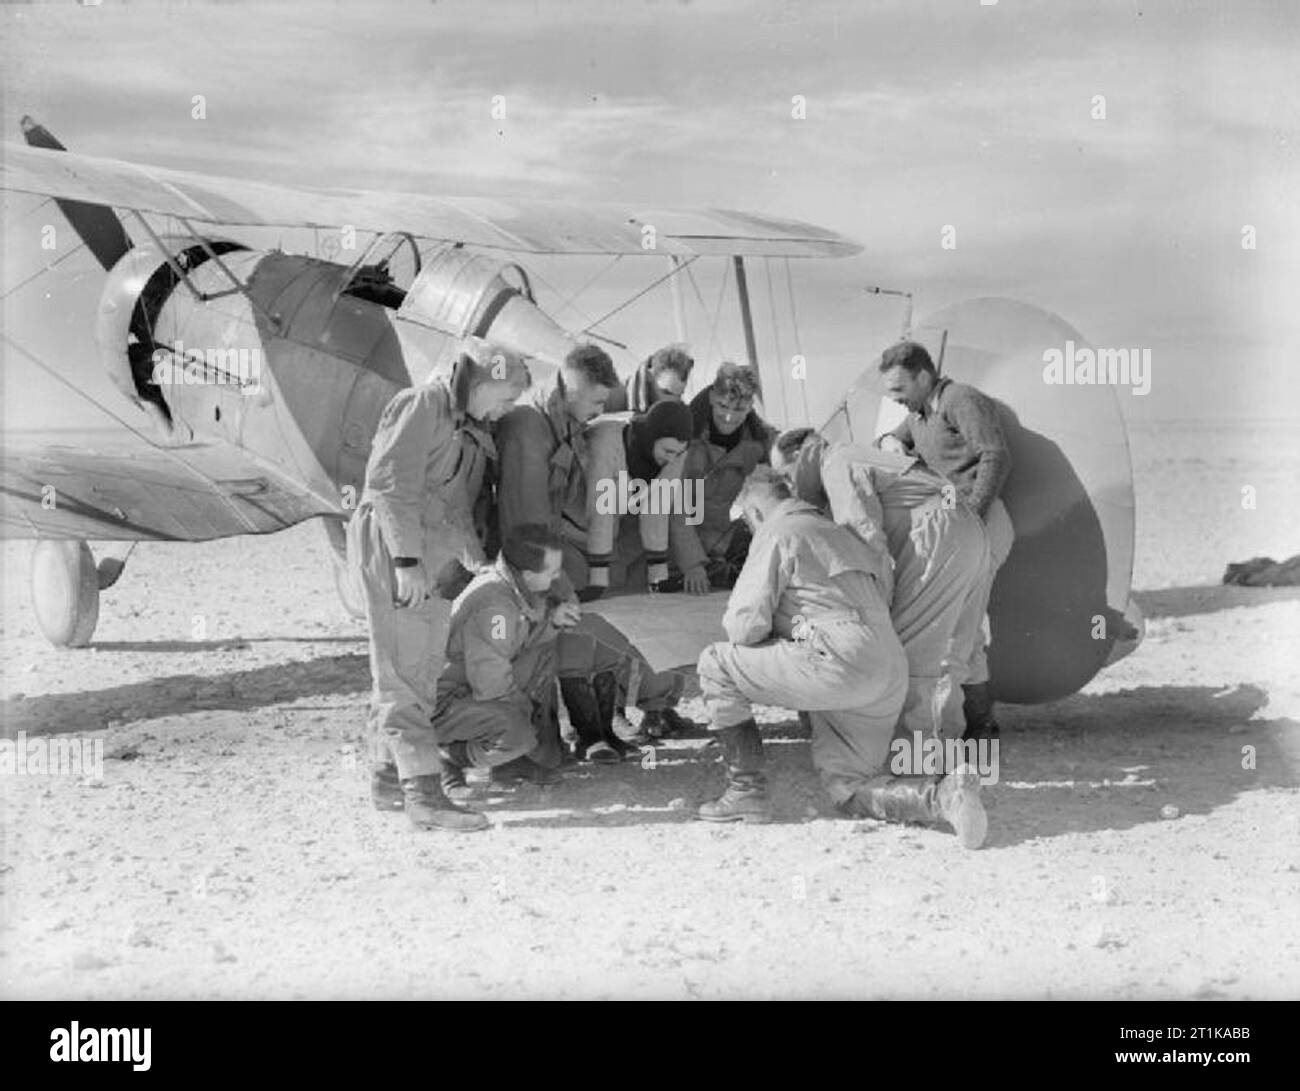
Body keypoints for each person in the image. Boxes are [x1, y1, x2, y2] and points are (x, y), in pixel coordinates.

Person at [695, 468, 987, 848]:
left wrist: (778, 639)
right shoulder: (842, 534)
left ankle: (745, 790)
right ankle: (944, 797)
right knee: (849, 787)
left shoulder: (777, 532)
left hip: (833, 661)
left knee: (715, 663)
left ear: (753, 511)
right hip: (886, 666)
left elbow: (743, 626)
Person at [348, 341, 531, 832]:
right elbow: (389, 485)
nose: (505, 409)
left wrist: (473, 562)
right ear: (482, 379)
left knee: (422, 666)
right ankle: (424, 796)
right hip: (396, 549)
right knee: (403, 670)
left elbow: (450, 506)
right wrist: (405, 561)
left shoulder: (461, 424)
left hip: (431, 557)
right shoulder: (423, 404)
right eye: (506, 397)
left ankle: (389, 776)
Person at [771, 428, 990, 743]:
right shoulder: (860, 454)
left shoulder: (836, 462)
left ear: (798, 455)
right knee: (954, 650)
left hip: (935, 536)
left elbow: (864, 538)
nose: (790, 486)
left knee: (915, 656)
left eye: (786, 475)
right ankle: (948, 754)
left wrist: (874, 606)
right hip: (967, 528)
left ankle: (918, 766)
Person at [877, 341, 1014, 742]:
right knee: (960, 632)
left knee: (959, 632)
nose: (896, 399)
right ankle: (976, 726)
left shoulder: (959, 399)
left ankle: (970, 730)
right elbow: (891, 439)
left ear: (923, 376)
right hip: (955, 530)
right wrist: (893, 444)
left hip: (980, 525)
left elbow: (995, 455)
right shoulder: (922, 412)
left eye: (900, 389)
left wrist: (972, 512)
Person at [433, 524, 580, 795]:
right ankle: (447, 756)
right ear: (527, 575)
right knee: (517, 736)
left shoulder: (509, 586)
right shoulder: (495, 610)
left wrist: (552, 621)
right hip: (447, 702)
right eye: (552, 573)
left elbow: (516, 644)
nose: (558, 577)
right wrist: (525, 713)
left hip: (470, 687)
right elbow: (490, 678)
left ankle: (511, 763)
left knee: (544, 652)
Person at [664, 362, 775, 593]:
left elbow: (786, 460)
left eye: (739, 410)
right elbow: (676, 507)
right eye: (723, 406)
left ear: (750, 406)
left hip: (718, 546)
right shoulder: (683, 438)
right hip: (673, 550)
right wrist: (693, 565)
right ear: (713, 397)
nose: (728, 417)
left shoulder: (756, 443)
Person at [605, 344, 694, 413]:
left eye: (678, 395)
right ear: (649, 377)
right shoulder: (607, 397)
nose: (672, 400)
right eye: (666, 392)